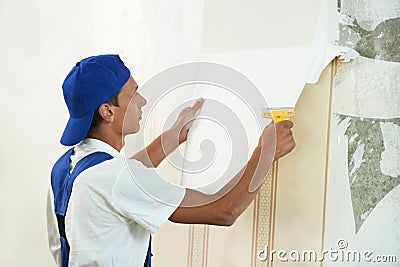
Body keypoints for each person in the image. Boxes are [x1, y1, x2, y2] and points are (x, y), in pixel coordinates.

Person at [46, 54, 295, 267]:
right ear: (107, 111)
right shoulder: (116, 177)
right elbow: (225, 211)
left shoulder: (65, 169)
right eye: (134, 95)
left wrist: (172, 138)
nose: (142, 101)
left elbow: (119, 181)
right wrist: (265, 153)